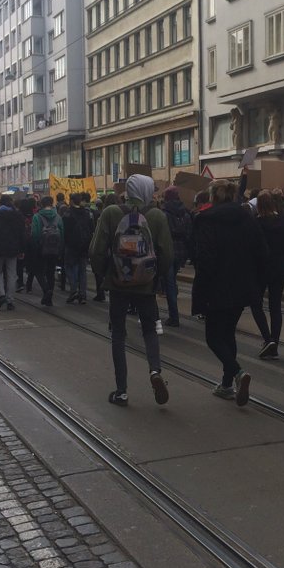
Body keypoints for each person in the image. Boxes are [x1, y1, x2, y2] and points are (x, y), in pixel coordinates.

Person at [89, 174, 173, 406]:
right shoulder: (157, 215)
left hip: (118, 283)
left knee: (118, 333)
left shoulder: (111, 212)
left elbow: (96, 250)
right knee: (149, 330)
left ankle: (122, 390)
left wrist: (105, 274)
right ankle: (155, 371)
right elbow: (167, 254)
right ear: (147, 191)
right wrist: (154, 276)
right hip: (145, 284)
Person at [191, 177, 269, 406]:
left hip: (216, 286)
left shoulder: (205, 219)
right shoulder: (247, 217)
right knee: (228, 333)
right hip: (242, 286)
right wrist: (255, 282)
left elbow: (204, 259)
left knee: (213, 337)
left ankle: (237, 373)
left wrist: (201, 290)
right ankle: (226, 384)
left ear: (213, 196)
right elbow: (262, 252)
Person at [251, 191, 284, 359]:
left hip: (260, 268)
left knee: (256, 304)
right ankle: (274, 343)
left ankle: (267, 338)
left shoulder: (255, 223)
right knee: (275, 306)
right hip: (279, 268)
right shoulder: (283, 222)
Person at [0, 195, 27, 311]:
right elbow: (23, 233)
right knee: (12, 274)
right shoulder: (17, 215)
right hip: (13, 249)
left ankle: (1, 294)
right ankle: (10, 299)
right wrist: (22, 249)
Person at [161, 186, 192, 326]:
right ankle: (173, 315)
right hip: (181, 252)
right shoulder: (185, 213)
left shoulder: (164, 214)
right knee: (171, 282)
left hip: (168, 251)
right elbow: (189, 234)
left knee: (169, 285)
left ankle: (174, 317)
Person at [62, 192, 95, 305]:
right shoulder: (88, 213)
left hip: (71, 245)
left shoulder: (67, 213)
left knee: (69, 267)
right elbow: (92, 229)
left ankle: (73, 290)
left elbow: (64, 231)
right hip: (85, 244)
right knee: (83, 270)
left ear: (71, 201)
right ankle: (83, 295)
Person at [31, 196, 64, 306]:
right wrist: (60, 248)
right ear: (52, 203)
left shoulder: (37, 217)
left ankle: (46, 290)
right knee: (51, 272)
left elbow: (34, 234)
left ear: (41, 204)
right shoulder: (58, 217)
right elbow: (62, 234)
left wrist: (36, 247)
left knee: (38, 271)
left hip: (41, 249)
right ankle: (49, 298)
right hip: (55, 249)